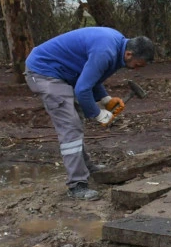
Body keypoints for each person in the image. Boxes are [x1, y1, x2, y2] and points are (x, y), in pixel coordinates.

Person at [24, 28, 155, 200]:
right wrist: (98, 114)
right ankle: (77, 185)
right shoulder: (106, 51)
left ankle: (85, 168)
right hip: (44, 72)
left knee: (75, 122)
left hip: (62, 73)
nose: (137, 69)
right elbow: (82, 89)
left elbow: (90, 76)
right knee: (70, 125)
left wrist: (105, 99)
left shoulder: (116, 47)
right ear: (129, 54)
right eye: (138, 65)